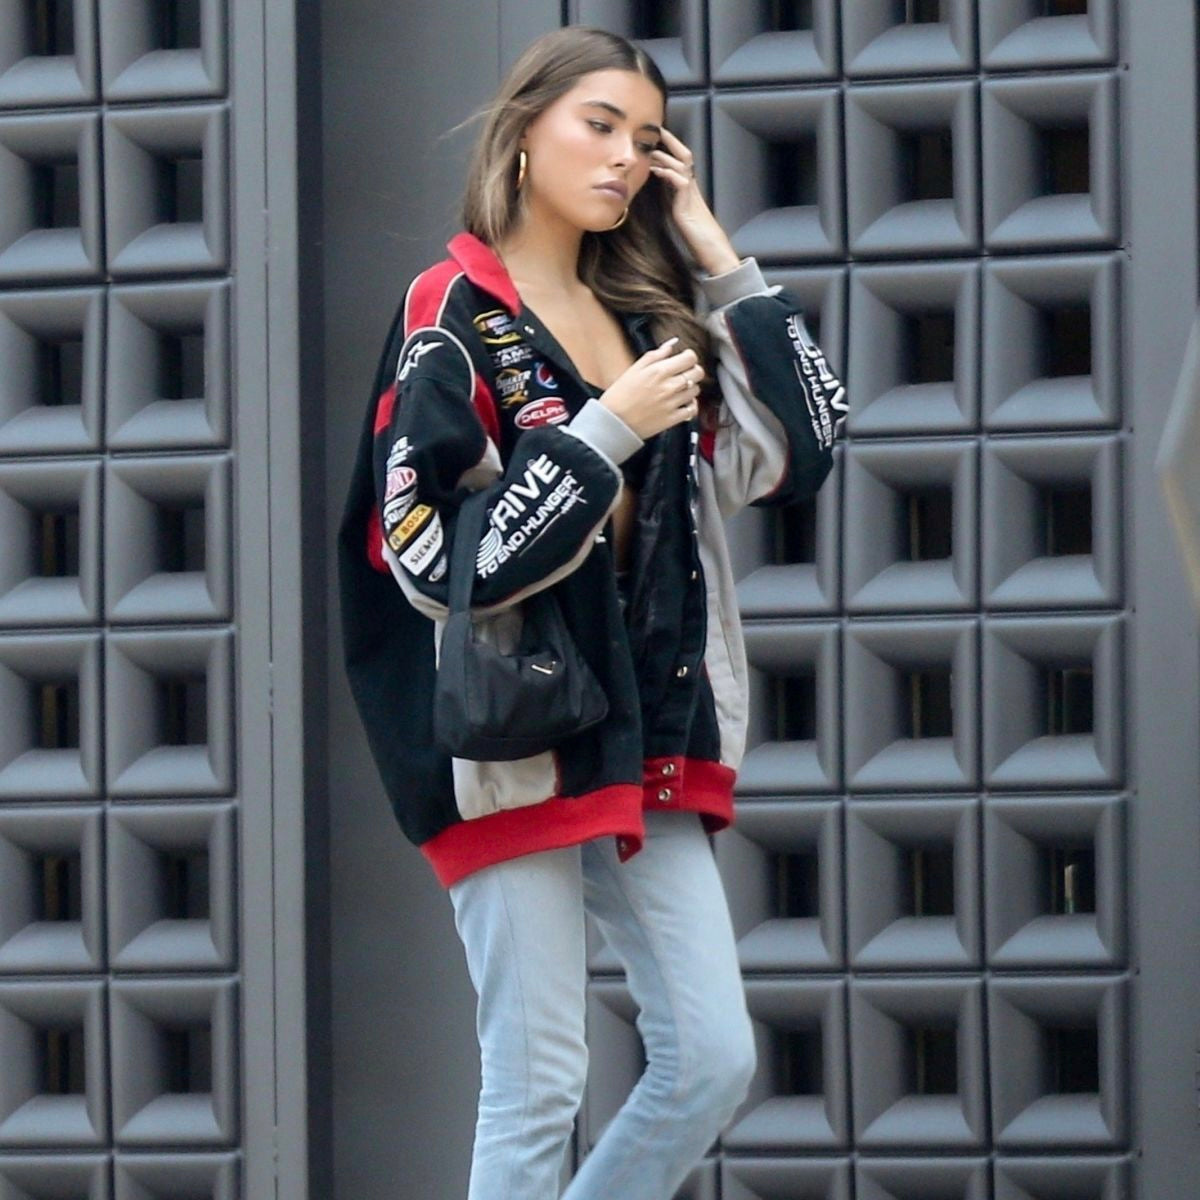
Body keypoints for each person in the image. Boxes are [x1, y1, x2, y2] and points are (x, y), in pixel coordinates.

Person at [338, 25, 846, 1200]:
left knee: (710, 1059)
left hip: (639, 727)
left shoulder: (649, 314)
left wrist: (714, 253)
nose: (624, 156)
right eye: (600, 125)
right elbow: (431, 560)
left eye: (647, 138)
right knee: (538, 1083)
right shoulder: (455, 309)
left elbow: (802, 450)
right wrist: (605, 429)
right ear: (526, 133)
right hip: (504, 737)